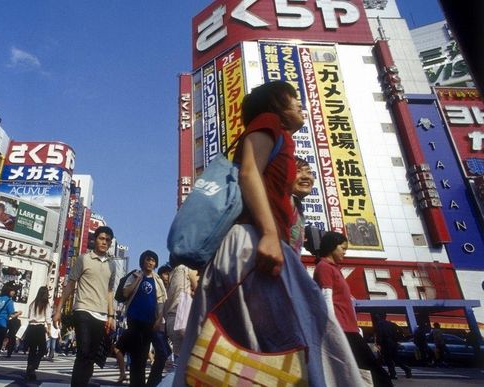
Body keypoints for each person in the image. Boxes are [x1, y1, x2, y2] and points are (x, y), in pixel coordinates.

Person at [174, 81, 364, 387]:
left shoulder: (281, 136)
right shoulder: (269, 123)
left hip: (253, 243)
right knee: (299, 331)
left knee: (258, 337)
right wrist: (268, 234)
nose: (301, 105)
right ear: (276, 105)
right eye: (294, 100)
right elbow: (249, 172)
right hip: (252, 242)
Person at [314, 232, 393, 386]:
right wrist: (333, 330)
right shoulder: (324, 267)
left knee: (362, 371)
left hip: (349, 329)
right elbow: (326, 300)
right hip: (342, 330)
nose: (345, 252)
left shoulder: (334, 269)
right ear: (331, 247)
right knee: (373, 371)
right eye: (342, 248)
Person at [53, 226, 116, 387]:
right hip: (83, 309)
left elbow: (109, 291)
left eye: (108, 240)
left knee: (91, 356)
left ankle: (83, 383)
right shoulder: (83, 259)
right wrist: (58, 310)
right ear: (95, 239)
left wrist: (111, 316)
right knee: (84, 352)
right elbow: (70, 284)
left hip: (101, 314)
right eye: (102, 238)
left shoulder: (112, 265)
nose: (104, 242)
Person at [117, 250, 167, 387]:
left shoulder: (157, 280)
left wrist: (158, 320)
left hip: (150, 323)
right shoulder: (134, 275)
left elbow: (162, 301)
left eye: (153, 260)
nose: (150, 262)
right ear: (142, 261)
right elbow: (125, 293)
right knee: (136, 356)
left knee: (144, 355)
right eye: (148, 259)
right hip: (134, 321)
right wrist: (138, 279)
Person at [163, 264, 198, 365]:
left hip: (171, 320)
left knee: (178, 360)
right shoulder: (187, 269)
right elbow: (199, 290)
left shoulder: (173, 272)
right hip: (184, 318)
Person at [23, 286, 52, 381]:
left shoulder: (33, 303)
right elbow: (48, 319)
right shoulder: (46, 304)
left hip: (31, 327)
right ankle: (33, 366)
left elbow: (28, 316)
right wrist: (49, 330)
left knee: (32, 350)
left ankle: (29, 371)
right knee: (43, 349)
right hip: (39, 328)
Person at [290, 157, 315, 254]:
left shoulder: (297, 206)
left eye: (309, 172)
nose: (306, 177)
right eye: (298, 171)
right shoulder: (287, 201)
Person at [376, 313, 412, 379]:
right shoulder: (391, 323)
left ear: (379, 317)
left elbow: (379, 334)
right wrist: (396, 338)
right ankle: (406, 369)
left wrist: (378, 343)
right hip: (393, 343)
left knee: (388, 359)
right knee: (395, 359)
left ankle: (393, 374)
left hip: (385, 343)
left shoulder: (380, 324)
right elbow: (401, 330)